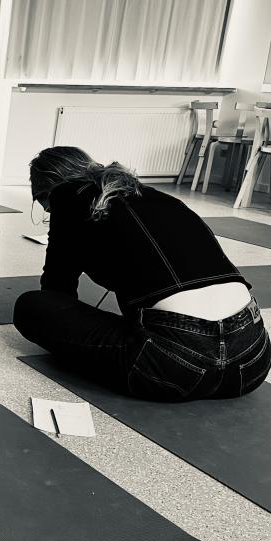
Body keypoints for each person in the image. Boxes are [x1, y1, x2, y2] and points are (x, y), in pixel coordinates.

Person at [14, 146, 271, 401]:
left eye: (45, 205)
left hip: (175, 367)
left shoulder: (65, 195)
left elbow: (57, 288)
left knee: (32, 306)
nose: (49, 212)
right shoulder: (154, 195)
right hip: (253, 359)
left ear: (49, 189)